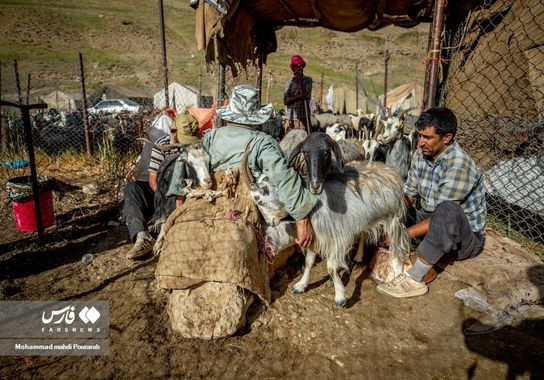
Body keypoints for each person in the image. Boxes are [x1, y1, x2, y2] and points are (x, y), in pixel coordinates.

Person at [168, 84, 317, 249]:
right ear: (256, 116)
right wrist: (302, 221)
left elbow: (185, 159)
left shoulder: (211, 136)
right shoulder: (262, 142)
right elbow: (284, 178)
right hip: (245, 208)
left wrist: (179, 205)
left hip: (211, 202)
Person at [377, 107, 487, 298]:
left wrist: (402, 235)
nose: (420, 143)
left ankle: (415, 279)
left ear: (446, 138)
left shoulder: (458, 165)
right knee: (393, 200)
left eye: (427, 137)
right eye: (419, 136)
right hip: (429, 220)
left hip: (462, 237)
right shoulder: (421, 155)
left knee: (446, 210)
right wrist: (388, 219)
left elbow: (440, 217)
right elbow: (408, 195)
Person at [124, 113, 199, 260]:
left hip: (186, 197)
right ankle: (143, 237)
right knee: (132, 189)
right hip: (162, 194)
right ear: (173, 132)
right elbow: (153, 181)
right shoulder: (161, 144)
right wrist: (166, 200)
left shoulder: (197, 145)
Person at [283, 55, 312, 132]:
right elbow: (286, 101)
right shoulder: (289, 83)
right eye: (298, 66)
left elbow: (305, 95)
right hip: (290, 118)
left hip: (303, 118)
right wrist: (299, 97)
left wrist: (300, 80)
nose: (301, 68)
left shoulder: (308, 80)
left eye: (302, 66)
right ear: (294, 68)